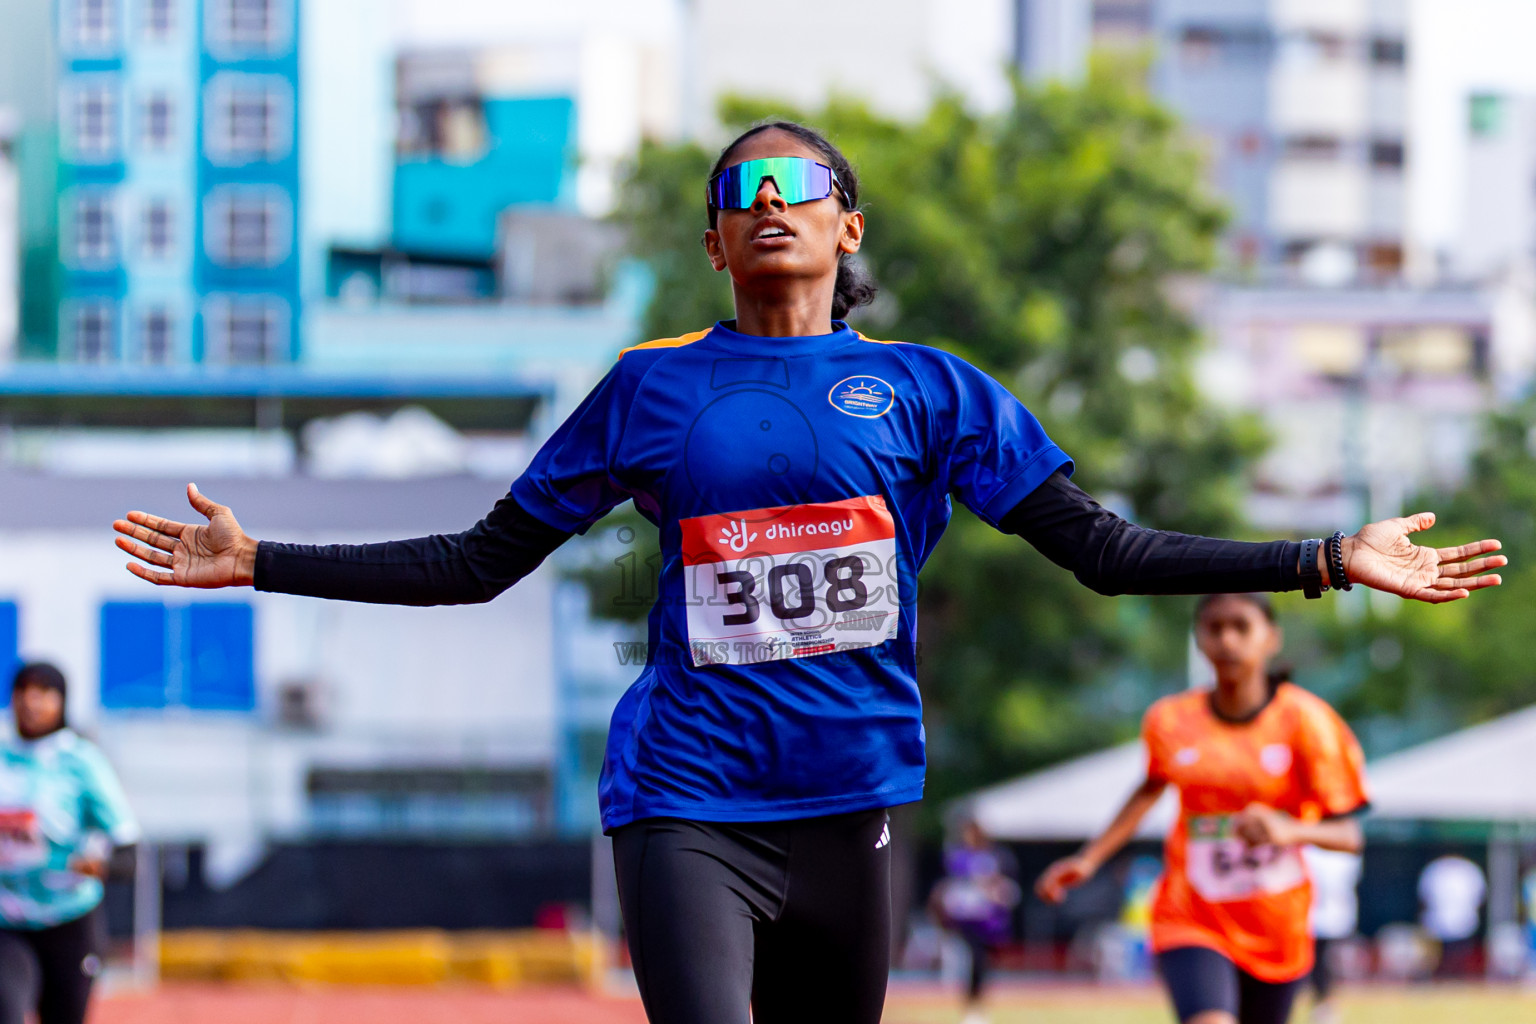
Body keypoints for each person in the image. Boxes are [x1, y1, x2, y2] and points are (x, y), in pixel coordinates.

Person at [112, 121, 1503, 1024]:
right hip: (688, 798)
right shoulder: (648, 391)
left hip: (855, 803)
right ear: (715, 242)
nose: (771, 202)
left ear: (849, 230)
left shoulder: (927, 390)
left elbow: (1103, 551)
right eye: (742, 192)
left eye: (801, 186)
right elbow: (482, 562)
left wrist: (1324, 556)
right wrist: (264, 562)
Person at [1036, 594, 1371, 1024]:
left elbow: (1348, 836)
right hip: (1192, 915)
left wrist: (1288, 830)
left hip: (1276, 926)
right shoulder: (1170, 721)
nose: (1227, 640)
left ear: (1271, 638)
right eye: (1214, 628)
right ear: (1198, 638)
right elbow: (1150, 788)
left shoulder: (1308, 722)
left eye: (1241, 627)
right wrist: (1088, 858)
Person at [0, 663, 139, 1024]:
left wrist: (100, 865)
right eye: (24, 691)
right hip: (7, 918)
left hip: (69, 919)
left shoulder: (81, 762)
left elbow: (128, 850)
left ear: (61, 701)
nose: (32, 702)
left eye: (43, 693)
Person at [930, 820, 1019, 1024]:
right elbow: (949, 884)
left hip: (987, 921)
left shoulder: (996, 856)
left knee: (982, 964)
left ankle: (977, 1003)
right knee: (971, 960)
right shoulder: (958, 856)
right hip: (964, 919)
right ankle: (970, 1005)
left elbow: (1004, 886)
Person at [1303, 845, 1361, 1024]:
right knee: (1316, 964)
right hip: (1311, 917)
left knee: (1327, 964)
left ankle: (1326, 1003)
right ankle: (1322, 1003)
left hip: (1332, 917)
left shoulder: (1342, 854)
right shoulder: (1308, 850)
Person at [1418, 853, 1486, 977]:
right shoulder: (1435, 869)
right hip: (1439, 923)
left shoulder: (1468, 869)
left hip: (1463, 922)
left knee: (1458, 960)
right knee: (1439, 961)